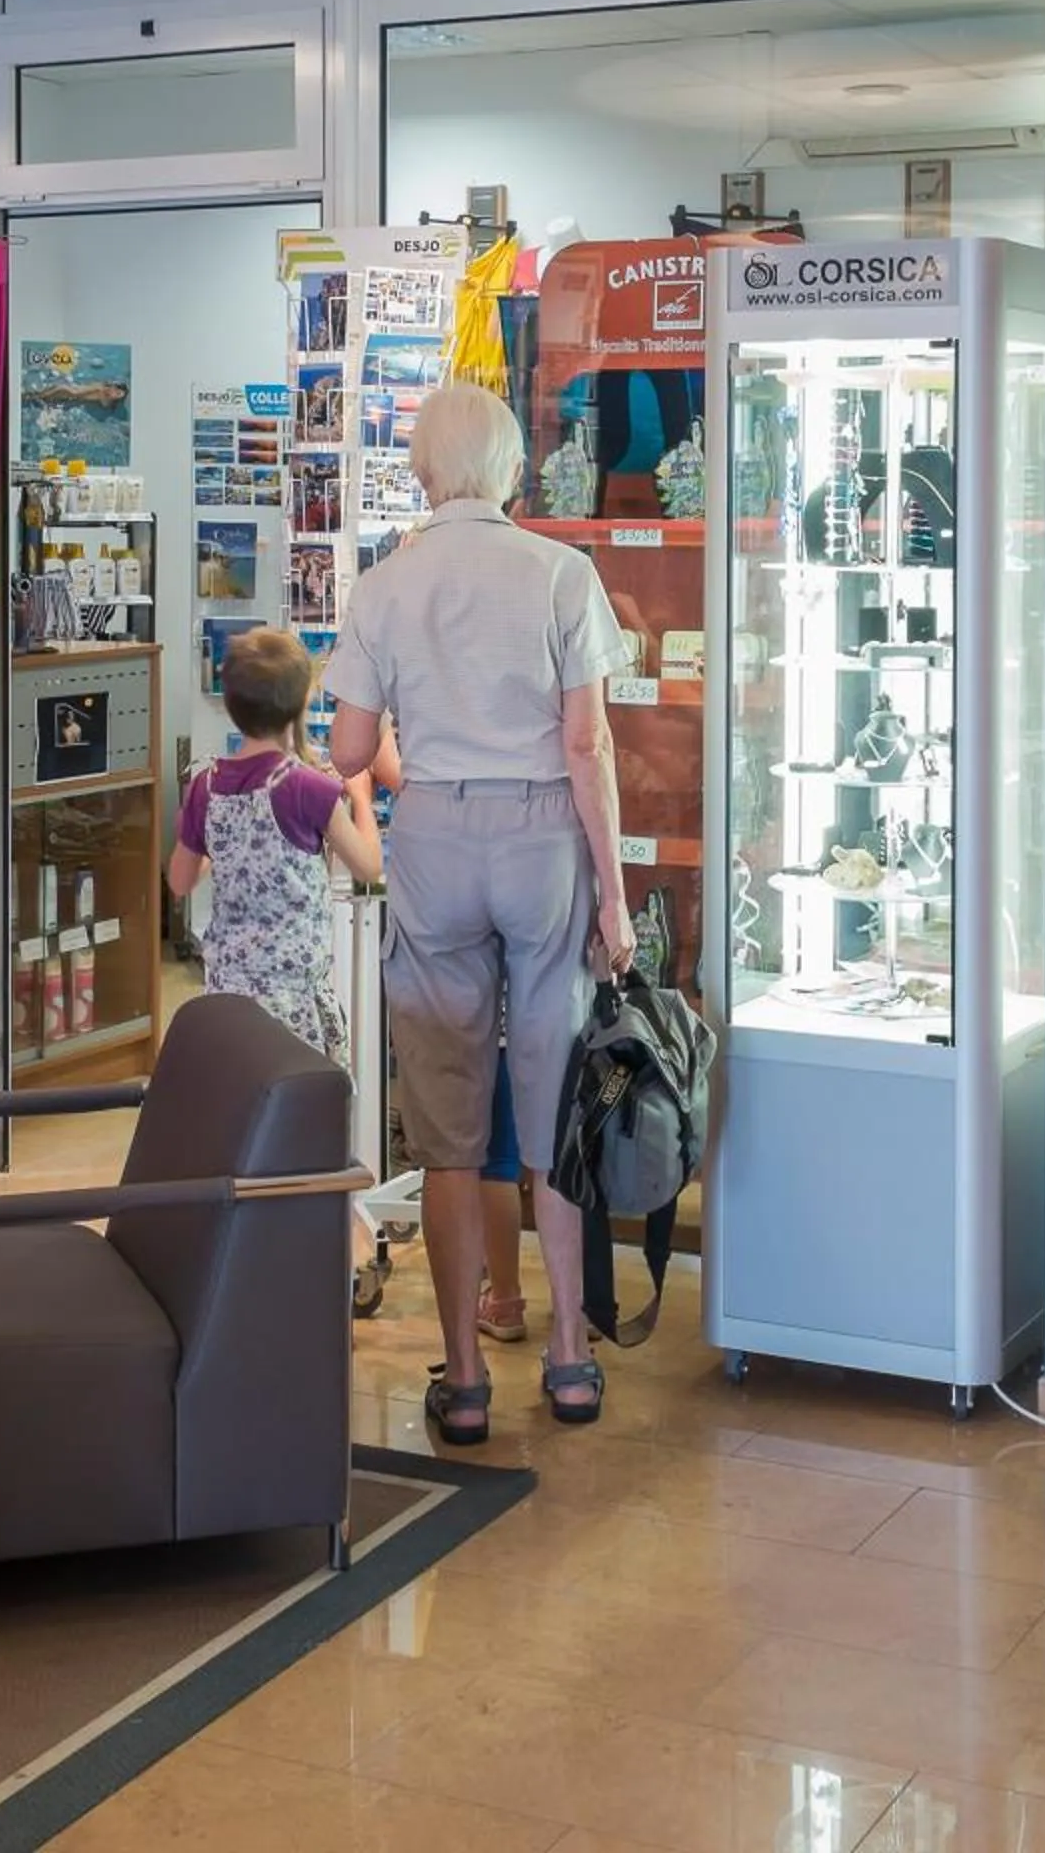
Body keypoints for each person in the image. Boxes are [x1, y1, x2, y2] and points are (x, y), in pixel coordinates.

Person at [324, 381, 635, 1441]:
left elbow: (351, 752)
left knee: (450, 1125)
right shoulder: (562, 573)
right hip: (545, 833)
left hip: (438, 839)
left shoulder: (385, 585)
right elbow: (587, 746)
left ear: (420, 467)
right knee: (553, 1110)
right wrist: (618, 900)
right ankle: (571, 1356)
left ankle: (462, 1375)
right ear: (512, 468)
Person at [168, 628, 381, 1058]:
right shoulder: (307, 787)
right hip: (292, 1002)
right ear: (303, 700)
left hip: (227, 996)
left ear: (230, 706)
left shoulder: (204, 787)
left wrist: (221, 848)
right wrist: (360, 797)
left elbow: (179, 880)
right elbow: (368, 867)